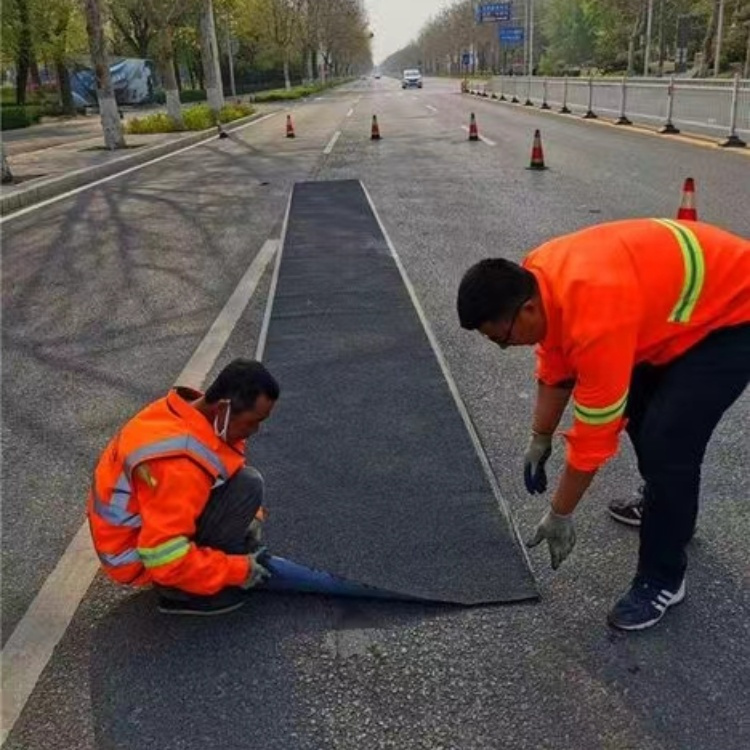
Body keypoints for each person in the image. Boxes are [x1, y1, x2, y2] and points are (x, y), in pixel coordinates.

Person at [456, 218, 750, 630]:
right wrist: (539, 436)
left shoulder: (595, 317)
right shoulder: (539, 276)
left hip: (733, 317)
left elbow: (594, 437)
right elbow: (556, 359)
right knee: (641, 412)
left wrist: (560, 513)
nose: (505, 347)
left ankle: (663, 578)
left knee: (669, 439)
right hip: (672, 315)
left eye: (501, 338)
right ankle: (668, 509)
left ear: (526, 309)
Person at [87, 359, 280, 616]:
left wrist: (250, 517)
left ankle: (200, 567)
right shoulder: (178, 464)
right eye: (252, 422)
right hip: (137, 558)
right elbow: (164, 558)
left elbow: (224, 469)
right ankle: (180, 593)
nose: (255, 430)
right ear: (223, 408)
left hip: (138, 528)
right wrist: (237, 570)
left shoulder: (179, 412)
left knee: (246, 485)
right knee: (249, 484)